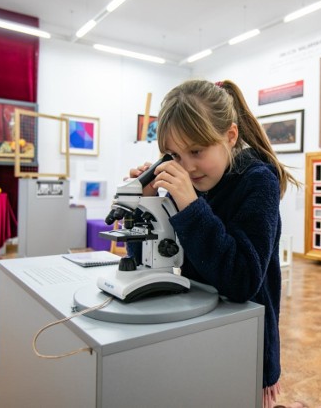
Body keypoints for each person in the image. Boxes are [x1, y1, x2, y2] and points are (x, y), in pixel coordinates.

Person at [127, 79, 299, 408]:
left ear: (230, 136)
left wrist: (191, 206)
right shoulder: (192, 181)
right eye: (175, 155)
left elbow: (242, 280)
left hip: (245, 341)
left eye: (196, 151)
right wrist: (146, 205)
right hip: (198, 327)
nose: (187, 166)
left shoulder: (257, 180)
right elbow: (150, 262)